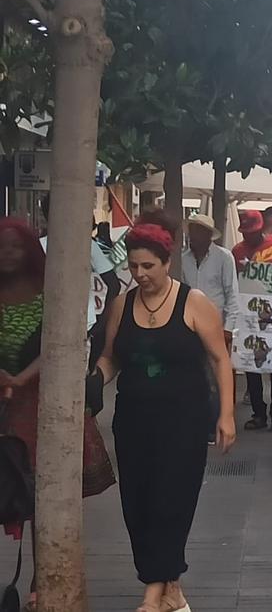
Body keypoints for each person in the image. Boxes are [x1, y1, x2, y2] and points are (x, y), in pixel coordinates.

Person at [92, 210, 235, 612]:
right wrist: (92, 383)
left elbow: (221, 360)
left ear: (167, 263)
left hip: (184, 421)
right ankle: (171, 588)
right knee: (137, 504)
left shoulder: (195, 303)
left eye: (148, 266)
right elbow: (110, 358)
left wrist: (226, 415)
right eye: (133, 266)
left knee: (171, 501)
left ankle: (153, 594)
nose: (140, 274)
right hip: (133, 420)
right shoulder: (121, 304)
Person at [1, 218, 116, 610]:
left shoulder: (48, 293)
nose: (8, 254)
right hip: (4, 396)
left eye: (15, 246)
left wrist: (21, 377)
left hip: (39, 400)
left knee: (40, 491)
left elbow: (60, 340)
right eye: (2, 247)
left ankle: (40, 579)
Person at [40, 196, 120, 369]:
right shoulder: (85, 245)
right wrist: (100, 323)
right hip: (63, 326)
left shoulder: (86, 245)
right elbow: (114, 284)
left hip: (80, 327)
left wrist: (100, 324)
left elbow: (114, 285)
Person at [232, 210, 272, 430]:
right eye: (246, 233)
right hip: (248, 314)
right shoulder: (237, 251)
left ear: (261, 229)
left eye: (253, 232)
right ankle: (258, 412)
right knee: (251, 363)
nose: (249, 237)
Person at [181, 214, 239, 446]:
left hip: (216, 323)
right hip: (189, 322)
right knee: (194, 374)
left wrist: (228, 329)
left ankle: (216, 423)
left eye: (198, 231)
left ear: (208, 234)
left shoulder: (224, 258)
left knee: (217, 377)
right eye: (192, 230)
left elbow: (232, 295)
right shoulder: (183, 259)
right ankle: (196, 421)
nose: (193, 235)